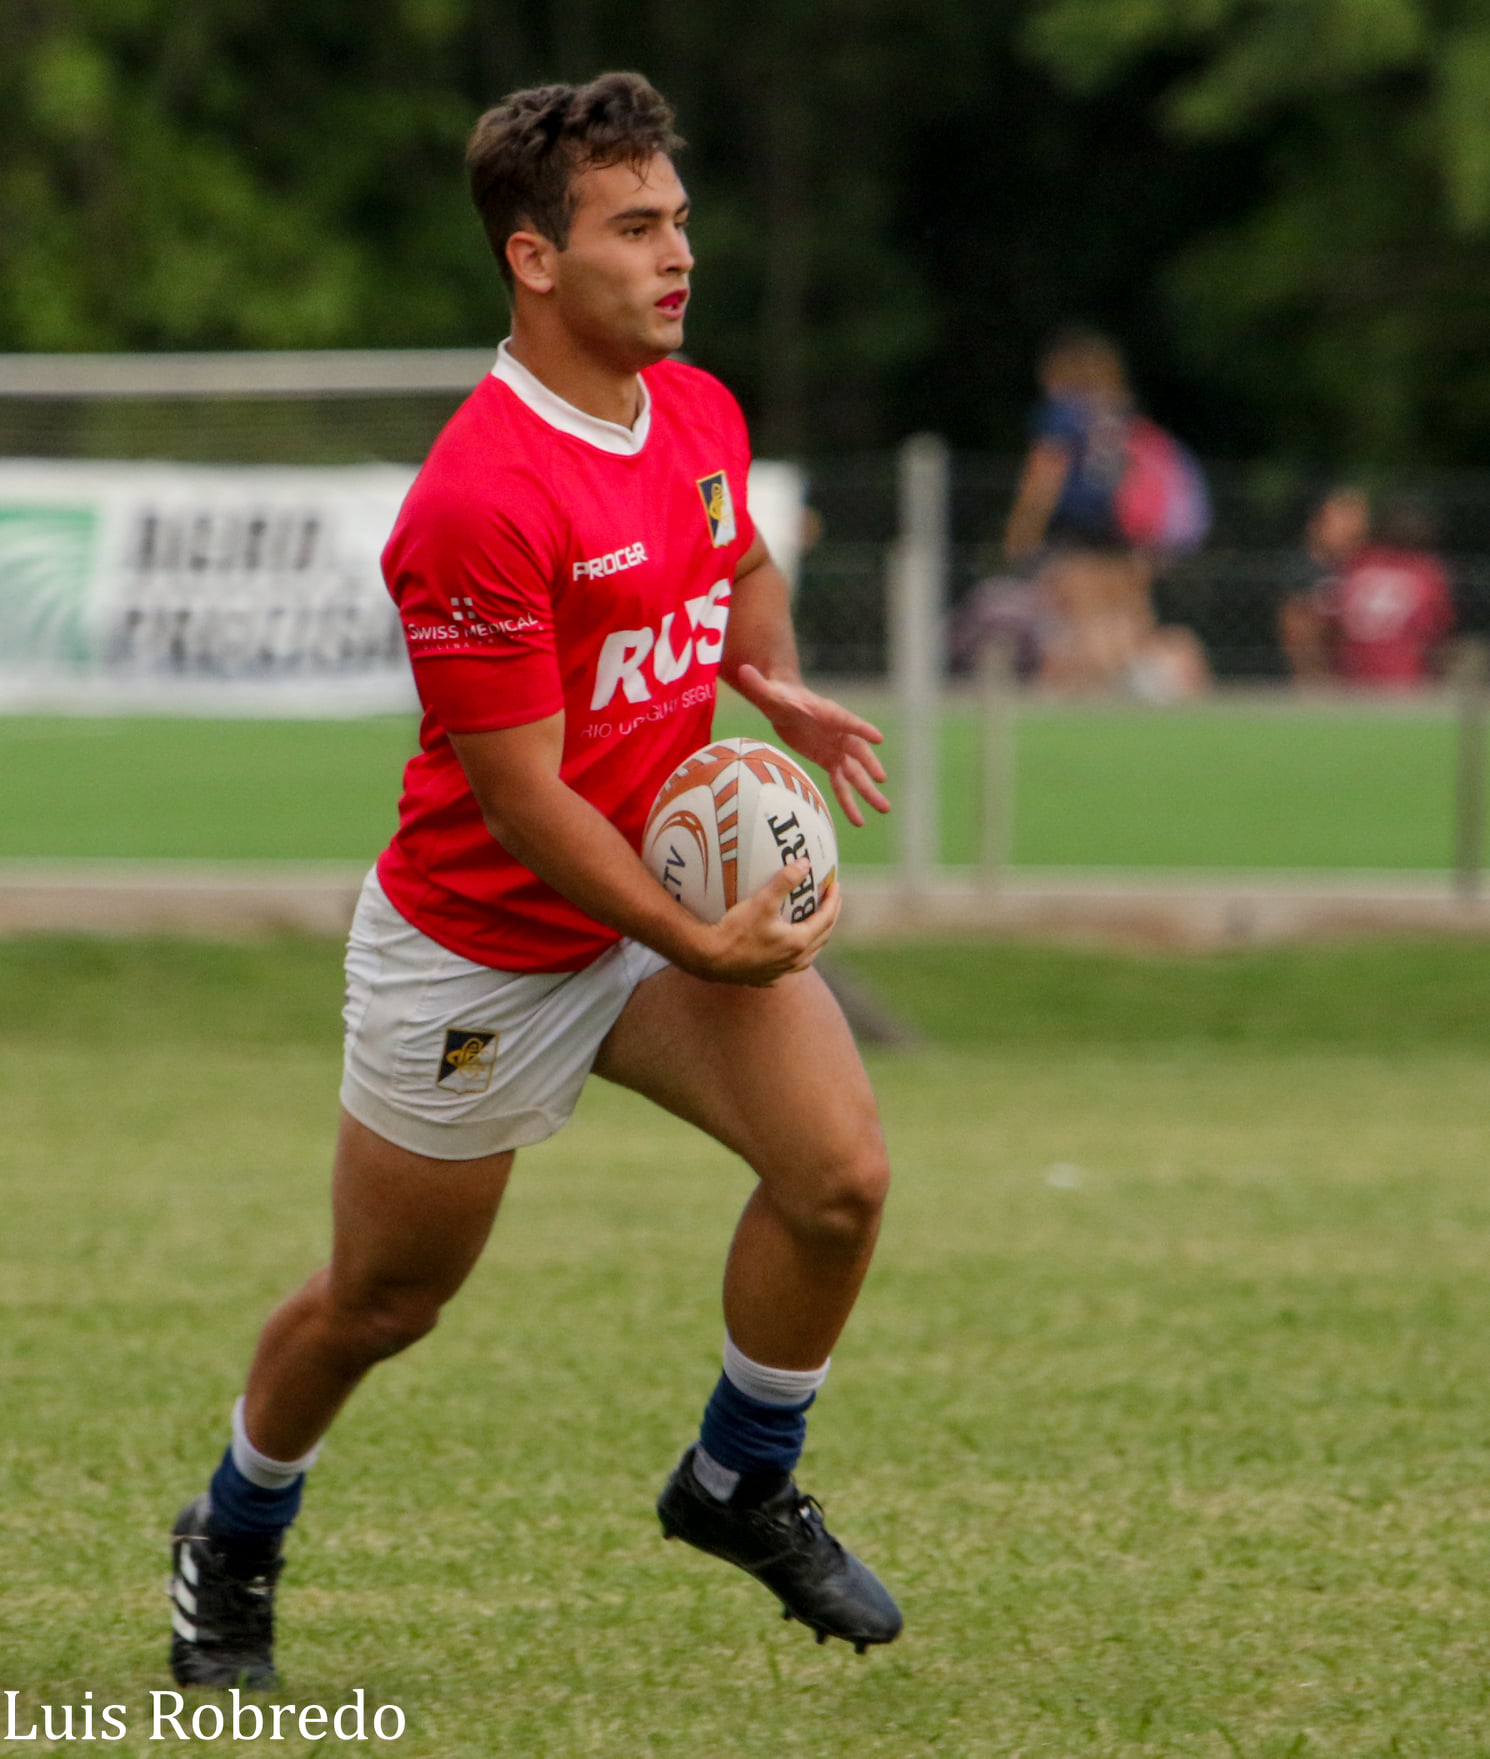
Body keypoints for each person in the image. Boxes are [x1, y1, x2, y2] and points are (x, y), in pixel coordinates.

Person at [165, 71, 901, 1690]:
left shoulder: (695, 408)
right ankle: (235, 1522)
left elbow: (741, 561)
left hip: (652, 919)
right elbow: (518, 793)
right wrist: (695, 935)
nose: (675, 252)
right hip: (482, 948)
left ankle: (737, 1477)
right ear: (535, 260)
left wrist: (764, 682)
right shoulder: (480, 494)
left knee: (839, 1173)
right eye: (635, 226)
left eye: (680, 219)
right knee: (381, 1300)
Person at [1003, 328, 1209, 699]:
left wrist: (1023, 528)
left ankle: (1106, 697)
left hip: (1080, 536)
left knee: (1087, 621)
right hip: (1125, 533)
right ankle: (1141, 687)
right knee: (1127, 621)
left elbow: (1046, 474)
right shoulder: (1117, 415)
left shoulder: (1062, 414)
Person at [1278, 486, 1371, 682]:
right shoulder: (1304, 573)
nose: (1355, 528)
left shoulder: (1364, 570)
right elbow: (1298, 640)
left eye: (1359, 519)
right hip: (1319, 681)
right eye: (1344, 518)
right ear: (1316, 525)